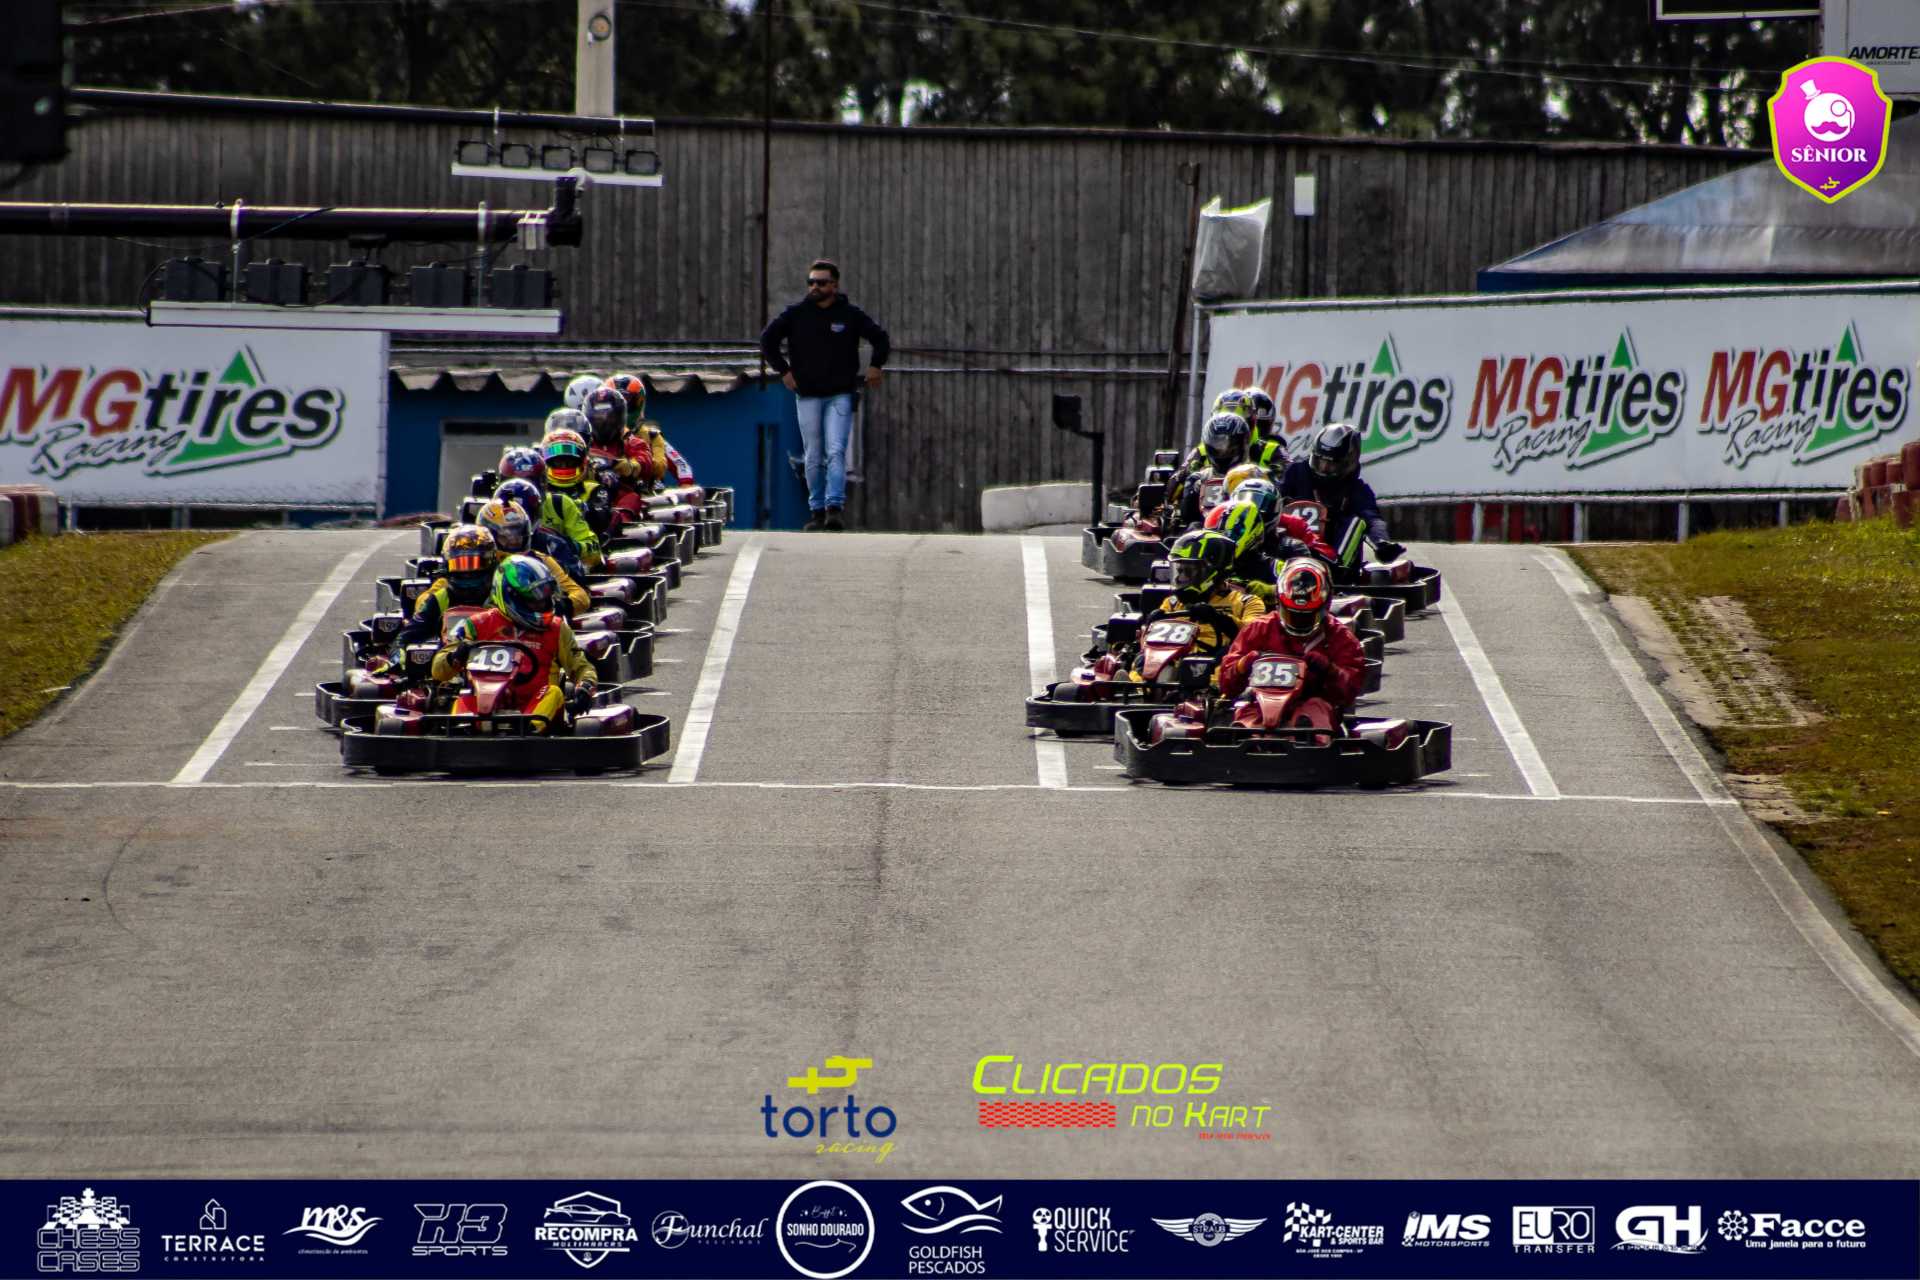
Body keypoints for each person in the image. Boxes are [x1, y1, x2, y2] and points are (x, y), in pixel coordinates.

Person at [758, 258, 890, 531]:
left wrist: (876, 366)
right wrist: (784, 371)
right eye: (811, 282)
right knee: (813, 454)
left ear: (834, 285)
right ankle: (817, 510)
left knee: (836, 450)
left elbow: (880, 338)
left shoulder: (849, 314)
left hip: (839, 394)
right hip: (807, 395)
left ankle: (834, 509)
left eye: (821, 282)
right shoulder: (796, 314)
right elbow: (767, 340)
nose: (815, 287)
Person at [431, 555, 597, 731]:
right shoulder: (477, 624)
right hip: (483, 707)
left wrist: (585, 687)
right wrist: (456, 656)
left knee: (554, 692)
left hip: (536, 709)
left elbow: (581, 667)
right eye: (534, 600)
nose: (542, 604)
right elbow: (438, 671)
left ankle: (527, 731)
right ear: (510, 596)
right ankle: (461, 734)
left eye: (544, 598)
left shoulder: (557, 629)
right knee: (463, 698)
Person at [1217, 557, 1368, 732]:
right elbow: (1226, 685)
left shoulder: (1339, 636)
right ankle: (1245, 735)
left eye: (1306, 616)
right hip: (1260, 702)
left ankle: (1308, 735)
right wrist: (1243, 665)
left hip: (1314, 702)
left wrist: (1329, 670)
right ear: (1279, 603)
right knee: (1246, 711)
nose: (1299, 620)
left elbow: (1350, 690)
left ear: (1324, 606)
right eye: (1293, 615)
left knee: (1315, 708)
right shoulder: (1259, 629)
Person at [1128, 529, 1265, 683]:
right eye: (1179, 570)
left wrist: (1219, 618)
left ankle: (1205, 688)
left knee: (1228, 656)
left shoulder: (1246, 602)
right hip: (1174, 660)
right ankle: (1138, 686)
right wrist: (1152, 624)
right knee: (1143, 657)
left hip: (1213, 666)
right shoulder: (1173, 603)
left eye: (1188, 571)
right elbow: (1151, 641)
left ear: (1212, 571)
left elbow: (1254, 635)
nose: (1179, 578)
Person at [1279, 423, 1405, 561]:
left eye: (1331, 464)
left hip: (1332, 556)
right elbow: (1274, 497)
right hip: (1289, 550)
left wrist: (1381, 541)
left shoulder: (1357, 489)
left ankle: (1337, 564)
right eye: (1320, 461)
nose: (1324, 468)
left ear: (1348, 462)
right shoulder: (1295, 473)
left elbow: (1373, 520)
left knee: (1357, 521)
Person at [476, 497, 590, 617]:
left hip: (534, 624)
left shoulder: (542, 560)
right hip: (489, 624)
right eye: (505, 536)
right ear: (489, 536)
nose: (514, 541)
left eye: (518, 533)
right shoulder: (479, 562)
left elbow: (581, 597)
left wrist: (555, 607)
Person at [393, 523, 498, 651]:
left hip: (495, 658)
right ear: (447, 566)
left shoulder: (500, 597)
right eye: (459, 564)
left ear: (490, 563)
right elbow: (405, 637)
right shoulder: (439, 599)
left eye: (473, 563)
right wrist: (398, 655)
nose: (467, 572)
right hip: (447, 659)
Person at [494, 477, 590, 585]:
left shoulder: (553, 545)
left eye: (518, 521)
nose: (513, 534)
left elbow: (577, 584)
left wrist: (551, 571)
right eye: (507, 518)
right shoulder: (486, 545)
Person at [1164, 412, 1251, 529]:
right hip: (1206, 533)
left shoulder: (1255, 476)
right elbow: (1187, 515)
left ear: (1243, 444)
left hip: (1244, 529)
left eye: (1227, 446)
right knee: (1193, 526)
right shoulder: (1198, 478)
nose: (1222, 451)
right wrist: (1195, 490)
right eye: (1217, 444)